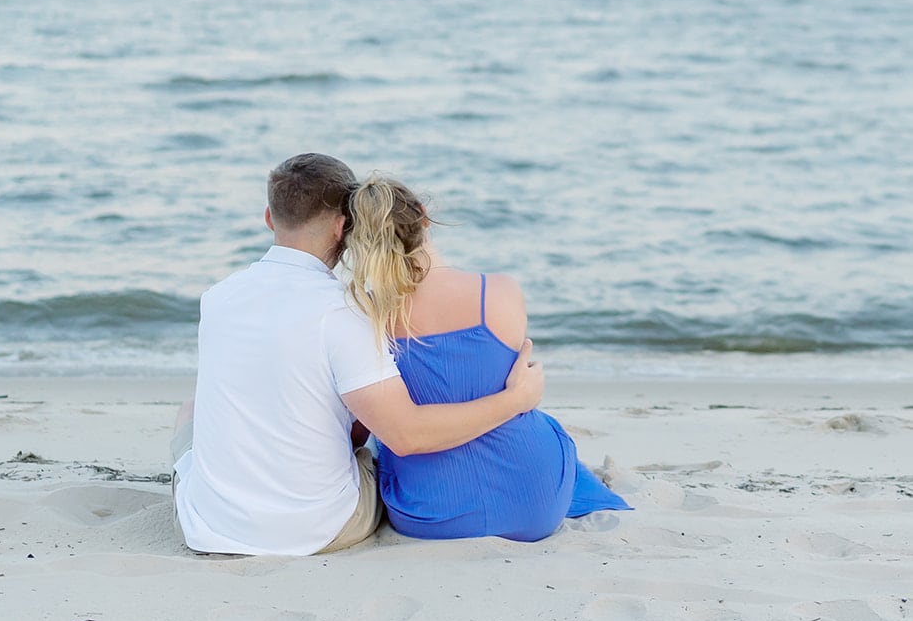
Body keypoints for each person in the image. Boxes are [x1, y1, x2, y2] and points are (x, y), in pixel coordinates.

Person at [171, 153, 545, 556]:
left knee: (191, 411)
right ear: (343, 227)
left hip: (209, 524)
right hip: (321, 528)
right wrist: (515, 399)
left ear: (268, 217)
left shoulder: (218, 298)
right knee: (373, 437)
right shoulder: (346, 312)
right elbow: (406, 435)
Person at [341, 173, 630, 541]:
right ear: (423, 216)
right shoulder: (500, 291)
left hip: (429, 514)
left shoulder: (361, 316)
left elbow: (359, 430)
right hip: (537, 505)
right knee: (540, 421)